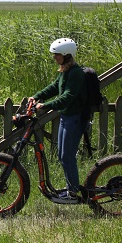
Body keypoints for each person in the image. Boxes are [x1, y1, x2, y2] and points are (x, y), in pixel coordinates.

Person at [29, 37, 88, 203]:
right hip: (66, 117)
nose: (54, 58)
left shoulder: (76, 73)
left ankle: (73, 193)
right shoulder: (65, 70)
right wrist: (37, 96)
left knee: (67, 155)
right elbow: (55, 87)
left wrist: (45, 105)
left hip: (74, 120)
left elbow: (67, 97)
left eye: (57, 55)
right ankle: (71, 188)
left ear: (67, 55)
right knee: (63, 155)